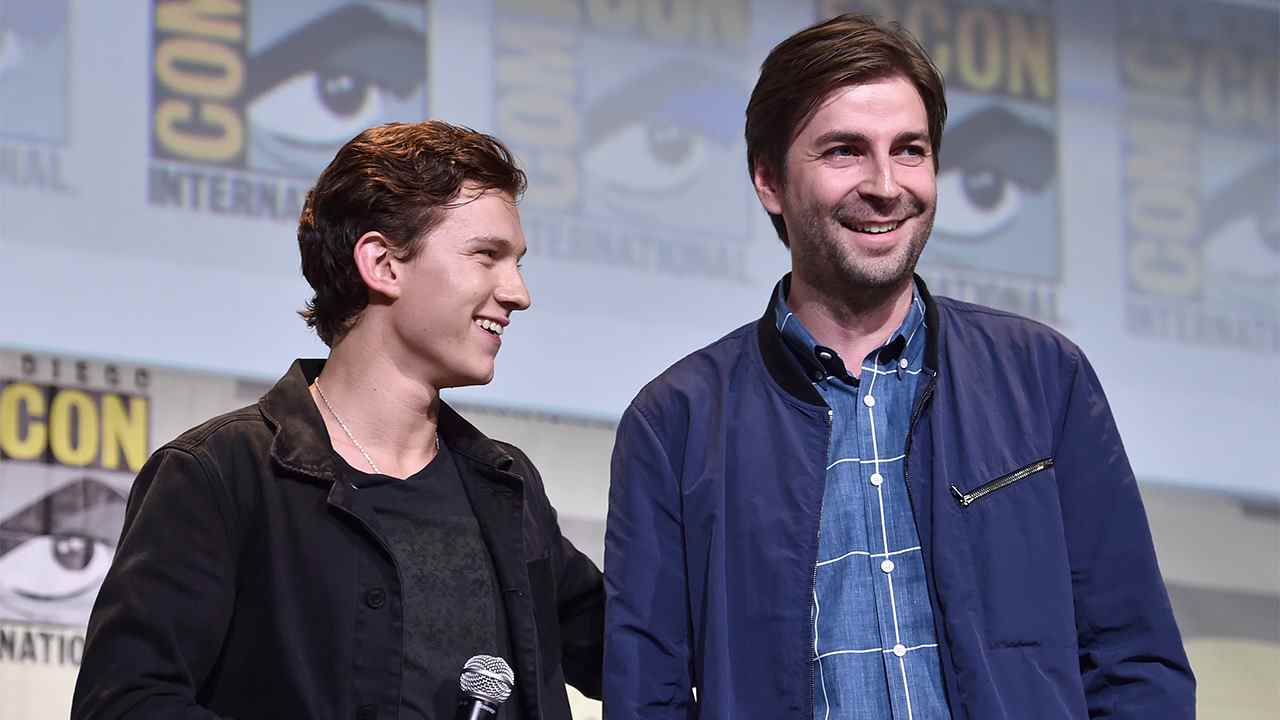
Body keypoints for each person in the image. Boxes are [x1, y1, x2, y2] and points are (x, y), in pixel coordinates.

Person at [603, 14, 1194, 719]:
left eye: (909, 150)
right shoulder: (675, 422)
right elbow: (648, 697)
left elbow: (1136, 663)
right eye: (845, 151)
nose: (886, 185)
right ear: (768, 180)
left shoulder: (1042, 376)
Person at [73, 121, 604, 720]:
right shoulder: (220, 476)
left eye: (517, 262)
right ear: (382, 263)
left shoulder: (507, 488)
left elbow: (632, 647)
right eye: (487, 256)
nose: (518, 292)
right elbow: (126, 704)